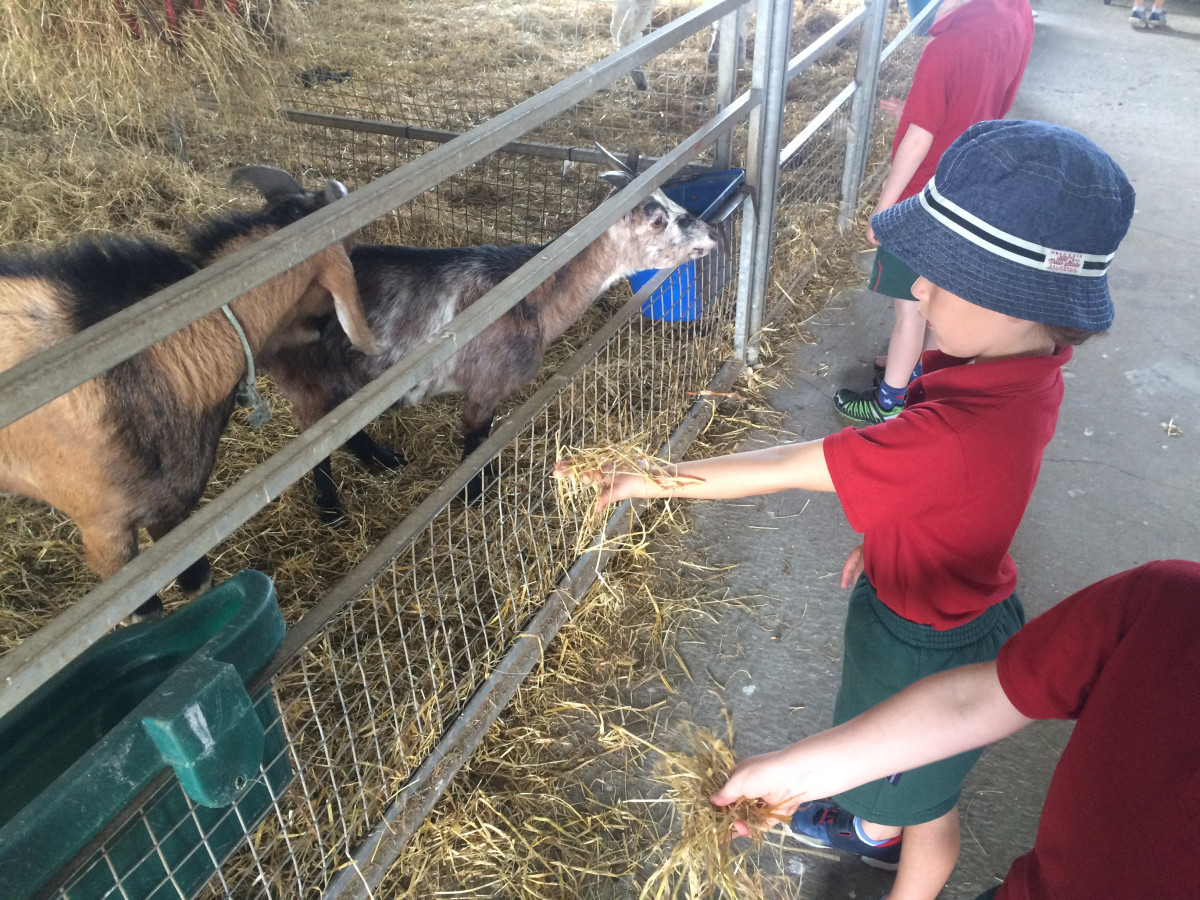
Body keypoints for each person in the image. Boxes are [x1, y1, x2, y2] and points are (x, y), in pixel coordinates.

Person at [555, 120, 1135, 900]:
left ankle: (887, 845)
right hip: (952, 597)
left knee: (926, 809)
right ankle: (872, 820)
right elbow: (970, 494)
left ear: (1017, 299)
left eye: (944, 277)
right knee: (895, 772)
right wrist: (894, 531)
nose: (918, 291)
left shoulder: (950, 438)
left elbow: (784, 467)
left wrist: (648, 478)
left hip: (923, 645)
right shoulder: (1026, 370)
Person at [710, 560, 1200, 899]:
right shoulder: (1171, 606)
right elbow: (970, 703)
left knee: (926, 803)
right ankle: (872, 834)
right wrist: (795, 774)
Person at [835, 0, 1034, 426]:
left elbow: (919, 138)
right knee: (938, 298)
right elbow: (988, 98)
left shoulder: (943, 48)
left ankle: (890, 402)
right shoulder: (1015, 15)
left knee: (910, 309)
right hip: (971, 185)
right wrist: (918, 105)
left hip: (922, 200)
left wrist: (885, 208)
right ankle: (915, 370)